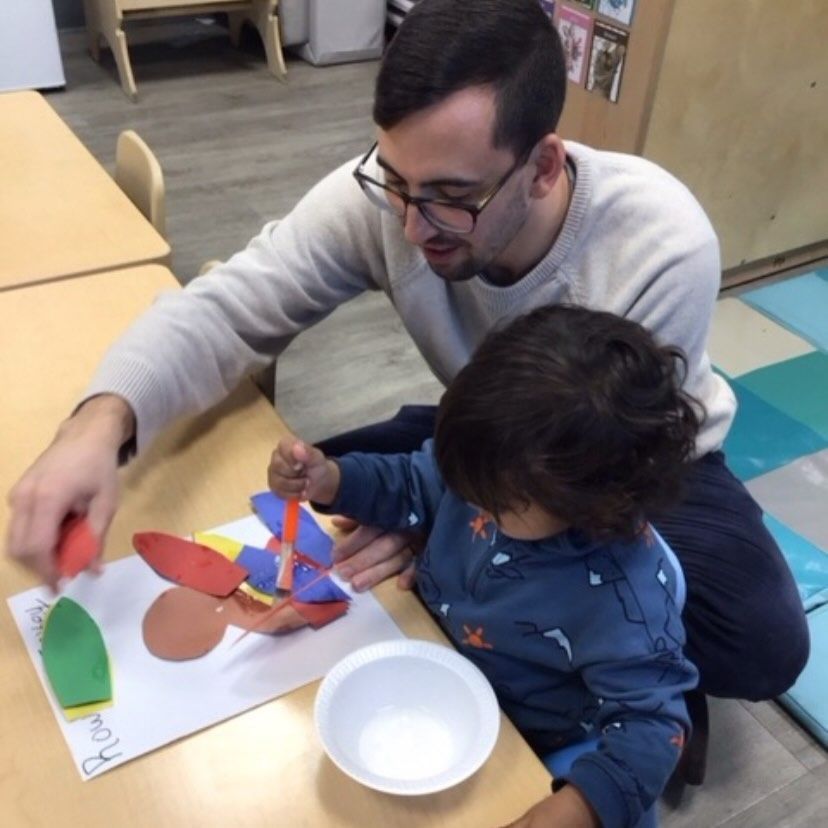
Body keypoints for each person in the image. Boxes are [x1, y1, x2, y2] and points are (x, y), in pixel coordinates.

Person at [6, 0, 807, 704]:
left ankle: (620, 677)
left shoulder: (659, 243)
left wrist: (447, 519)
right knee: (301, 492)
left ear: (542, 167)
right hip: (479, 431)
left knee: (761, 639)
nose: (413, 226)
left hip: (636, 464)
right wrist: (97, 425)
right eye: (394, 181)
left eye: (452, 199)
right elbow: (226, 309)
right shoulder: (398, 195)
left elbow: (584, 471)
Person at [269, 305, 701, 828]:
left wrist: (577, 806)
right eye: (467, 484)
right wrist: (332, 480)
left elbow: (654, 728)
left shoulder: (622, 599)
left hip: (539, 739)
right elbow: (412, 481)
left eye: (495, 501)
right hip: (433, 671)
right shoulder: (492, 466)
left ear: (592, 505)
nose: (471, 503)